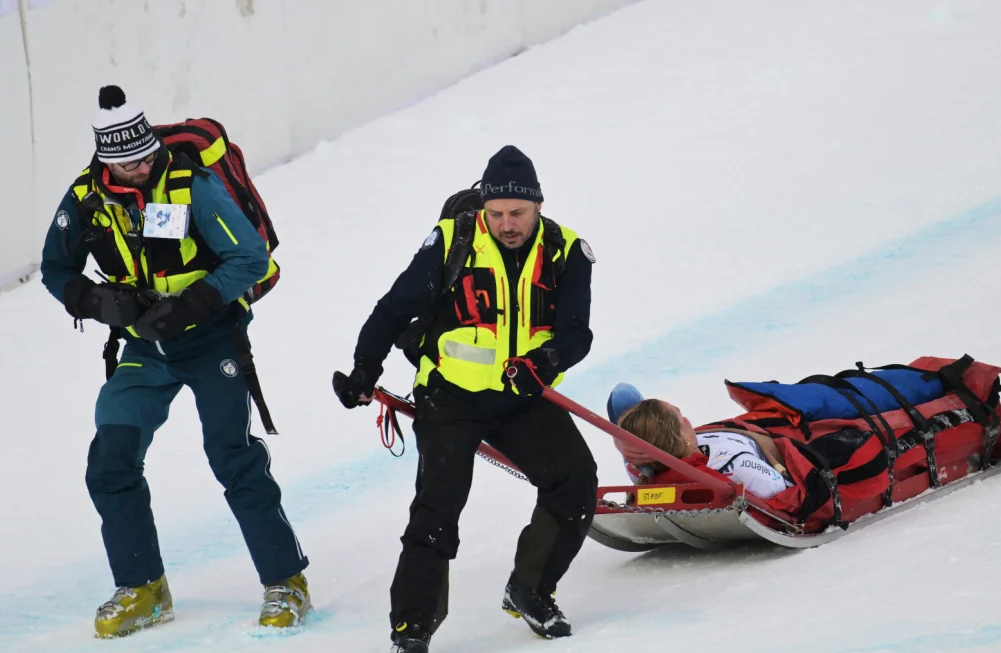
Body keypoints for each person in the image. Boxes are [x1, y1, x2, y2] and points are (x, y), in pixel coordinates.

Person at [39, 86, 310, 638]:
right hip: (143, 350)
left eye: (145, 154)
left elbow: (250, 258)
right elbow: (54, 267)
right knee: (110, 461)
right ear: (106, 161)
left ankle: (286, 581)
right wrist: (94, 301)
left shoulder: (194, 185)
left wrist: (196, 304)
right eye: (127, 161)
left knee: (232, 456)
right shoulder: (85, 197)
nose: (141, 166)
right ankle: (143, 587)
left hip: (211, 341)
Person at [335, 145, 599, 653]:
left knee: (576, 482)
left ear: (538, 206)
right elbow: (391, 311)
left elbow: (575, 333)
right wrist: (365, 369)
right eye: (495, 213)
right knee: (437, 509)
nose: (506, 223)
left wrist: (545, 363)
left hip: (523, 394)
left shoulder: (567, 251)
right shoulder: (453, 241)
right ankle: (412, 627)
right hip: (450, 399)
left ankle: (531, 589)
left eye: (517, 213)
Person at [613, 389, 794, 500]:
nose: (687, 419)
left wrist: (623, 444)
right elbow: (786, 494)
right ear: (682, 437)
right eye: (680, 416)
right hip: (774, 433)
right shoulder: (737, 466)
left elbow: (621, 394)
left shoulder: (636, 467)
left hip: (739, 428)